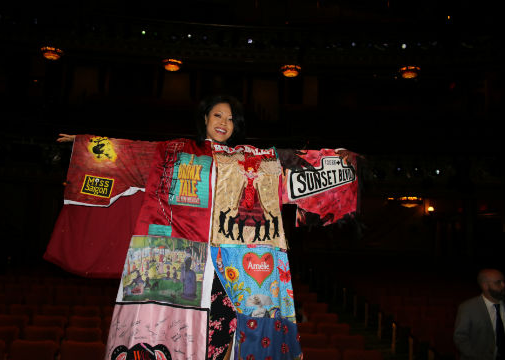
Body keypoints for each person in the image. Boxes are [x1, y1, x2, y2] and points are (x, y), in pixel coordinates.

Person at [52, 94, 357, 360]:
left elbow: (295, 166)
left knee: (232, 334)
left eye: (231, 119)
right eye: (218, 115)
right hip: (183, 263)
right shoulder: (174, 152)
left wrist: (340, 161)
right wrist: (85, 145)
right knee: (172, 337)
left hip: (236, 269)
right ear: (205, 118)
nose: (225, 122)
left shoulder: (250, 158)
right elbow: (130, 153)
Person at [454, 268, 505, 360]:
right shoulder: (468, 308)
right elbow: (460, 338)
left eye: (503, 281)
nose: (503, 285)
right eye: (498, 282)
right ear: (485, 286)